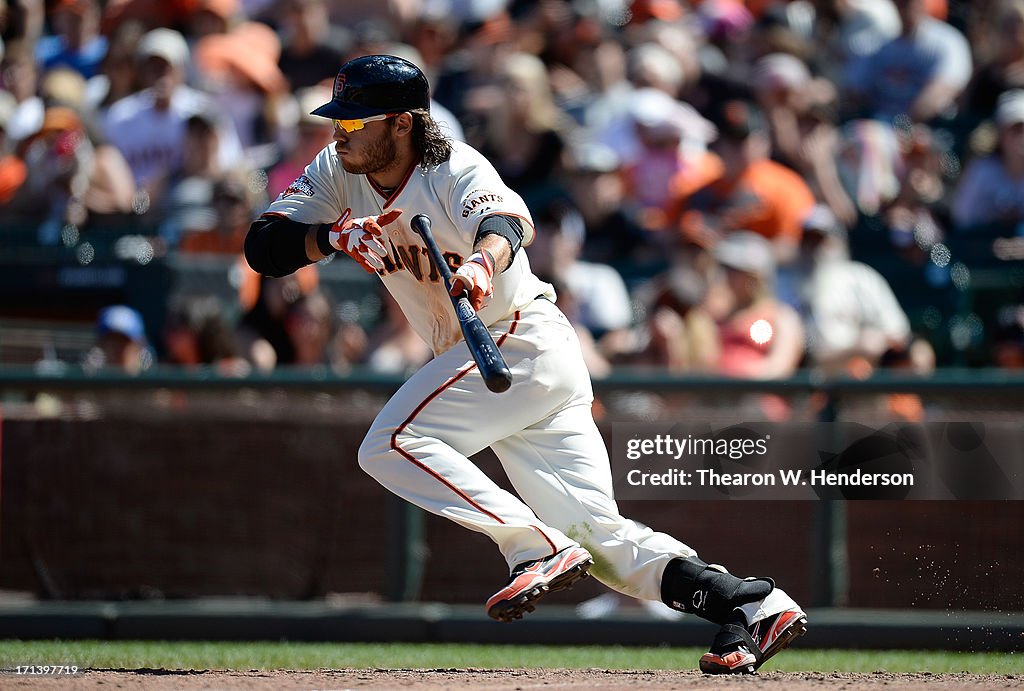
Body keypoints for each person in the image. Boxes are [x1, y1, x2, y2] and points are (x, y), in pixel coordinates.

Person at [243, 54, 807, 675]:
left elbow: (507, 220)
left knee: (390, 444)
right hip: (502, 368)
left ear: (402, 124)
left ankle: (530, 545)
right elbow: (262, 246)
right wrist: (331, 237)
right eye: (337, 121)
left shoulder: (450, 165)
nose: (339, 133)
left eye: (355, 123)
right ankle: (753, 605)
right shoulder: (337, 169)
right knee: (602, 541)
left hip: (517, 339)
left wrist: (482, 264)